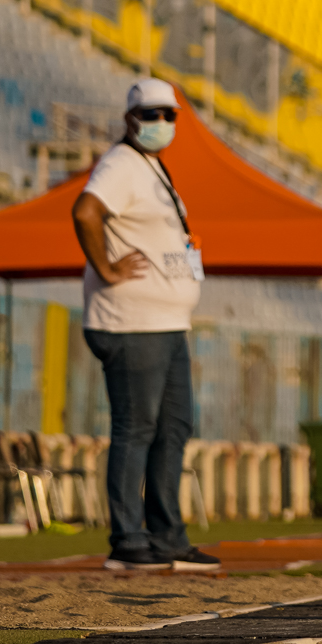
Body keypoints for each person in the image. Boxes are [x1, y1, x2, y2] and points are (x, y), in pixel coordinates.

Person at [70, 80, 219, 572]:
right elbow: (85, 211)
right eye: (152, 114)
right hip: (132, 322)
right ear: (130, 117)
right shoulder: (120, 165)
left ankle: (167, 536)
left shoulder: (151, 166)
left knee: (174, 427)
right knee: (136, 427)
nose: (162, 123)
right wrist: (109, 270)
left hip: (168, 323)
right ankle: (128, 538)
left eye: (169, 115)